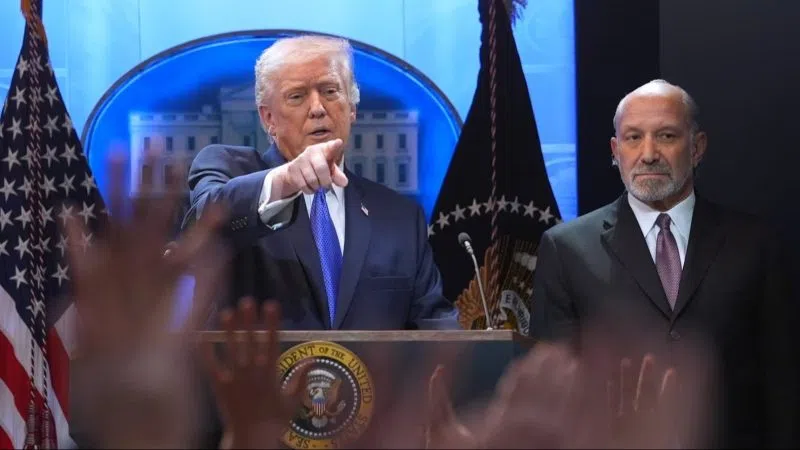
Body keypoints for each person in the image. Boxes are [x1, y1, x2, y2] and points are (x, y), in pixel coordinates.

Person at [529, 79, 797, 448]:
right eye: (633, 138)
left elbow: (783, 386)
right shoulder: (566, 249)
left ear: (697, 147)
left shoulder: (755, 245)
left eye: (666, 136)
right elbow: (553, 396)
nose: (648, 154)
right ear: (615, 150)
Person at [183, 34, 458, 331]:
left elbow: (438, 334)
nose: (317, 108)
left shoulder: (401, 218)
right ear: (268, 118)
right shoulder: (227, 169)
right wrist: (286, 180)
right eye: (297, 96)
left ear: (352, 108)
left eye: (330, 91)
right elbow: (202, 228)